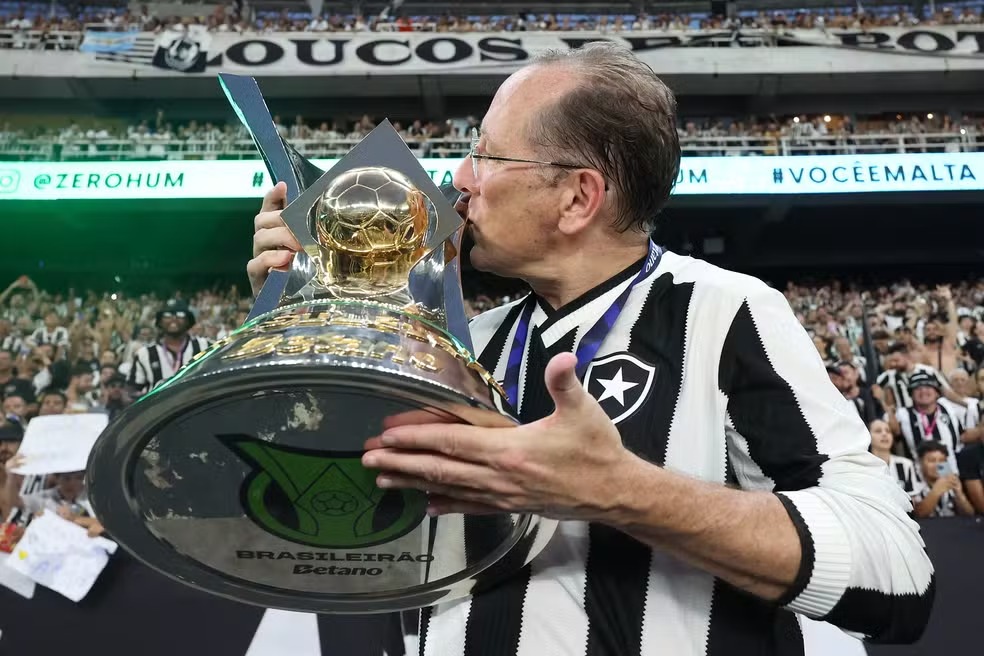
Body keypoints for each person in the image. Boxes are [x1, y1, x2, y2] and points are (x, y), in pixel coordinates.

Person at [248, 44, 932, 654]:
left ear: (578, 198)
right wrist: (303, 311)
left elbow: (899, 574)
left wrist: (621, 491)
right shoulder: (464, 343)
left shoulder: (724, 312)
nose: (460, 176)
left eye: (486, 153)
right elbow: (313, 512)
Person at [126, 299, 209, 396]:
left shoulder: (206, 346)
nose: (173, 319)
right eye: (167, 315)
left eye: (180, 314)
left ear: (188, 321)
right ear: (160, 322)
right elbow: (131, 389)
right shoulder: (144, 354)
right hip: (160, 409)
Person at [911, 441, 975, 518]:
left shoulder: (949, 479)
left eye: (942, 461)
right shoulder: (913, 480)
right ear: (920, 462)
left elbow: (970, 514)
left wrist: (959, 494)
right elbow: (918, 515)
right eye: (932, 460)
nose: (938, 465)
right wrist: (936, 491)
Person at [868, 418, 918, 495]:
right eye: (878, 431)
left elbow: (912, 501)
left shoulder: (906, 464)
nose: (884, 434)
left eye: (888, 431)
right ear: (867, 437)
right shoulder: (863, 464)